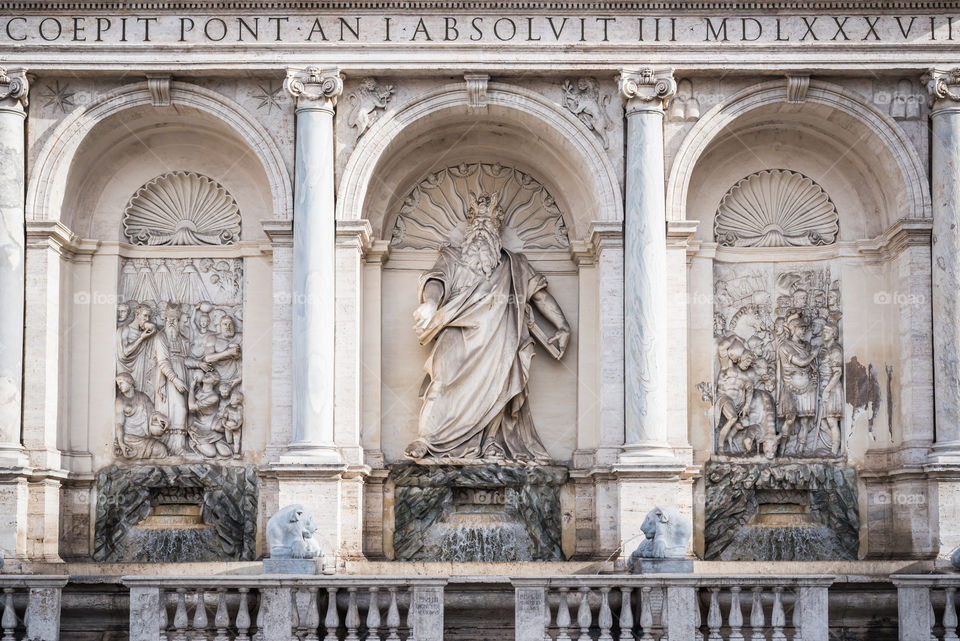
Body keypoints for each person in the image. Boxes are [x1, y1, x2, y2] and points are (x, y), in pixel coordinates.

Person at [404, 192, 571, 462]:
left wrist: (561, 325)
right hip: (456, 331)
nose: (481, 233)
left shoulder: (515, 265)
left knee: (499, 382)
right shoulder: (452, 257)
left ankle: (491, 441)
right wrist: (430, 305)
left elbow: (539, 296)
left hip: (499, 338)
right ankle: (428, 438)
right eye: (477, 227)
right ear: (469, 231)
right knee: (442, 380)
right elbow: (435, 281)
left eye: (488, 227)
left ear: (497, 233)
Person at [114, 373, 167, 459]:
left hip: (144, 438)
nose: (119, 386)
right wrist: (121, 443)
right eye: (118, 384)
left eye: (121, 383)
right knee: (126, 452)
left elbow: (152, 413)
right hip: (129, 439)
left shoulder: (143, 397)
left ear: (130, 382)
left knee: (162, 450)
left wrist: (158, 417)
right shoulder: (120, 401)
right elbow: (119, 424)